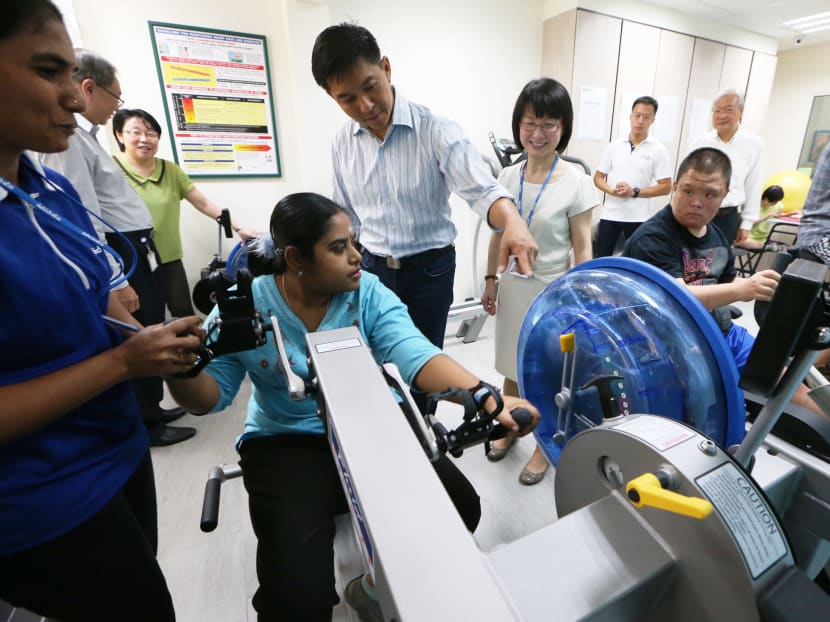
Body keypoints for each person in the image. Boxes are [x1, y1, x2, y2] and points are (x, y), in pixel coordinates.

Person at [165, 192, 540, 622]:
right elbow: (211, 397)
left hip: (372, 421)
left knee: (460, 510)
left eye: (355, 243)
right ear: (295, 257)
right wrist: (180, 370)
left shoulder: (366, 292)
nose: (357, 256)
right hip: (286, 437)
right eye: (339, 247)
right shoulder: (244, 306)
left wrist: (485, 395)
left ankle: (373, 589)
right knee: (297, 599)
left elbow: (414, 353)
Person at [0, 2, 205, 620]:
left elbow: (98, 295)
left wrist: (153, 342)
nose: (73, 97)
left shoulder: (48, 189)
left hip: (116, 450)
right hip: (46, 493)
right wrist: (122, 363)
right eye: (47, 71)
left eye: (73, 75)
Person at [310, 23, 538, 357]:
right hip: (372, 269)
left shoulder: (435, 130)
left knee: (425, 361)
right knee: (379, 360)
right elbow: (346, 218)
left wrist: (513, 222)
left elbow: (482, 191)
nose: (366, 105)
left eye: (370, 87)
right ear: (333, 97)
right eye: (348, 99)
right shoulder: (343, 143)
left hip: (429, 272)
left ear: (386, 68)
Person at [39, 50, 195, 446]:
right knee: (135, 335)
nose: (116, 107)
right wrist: (114, 279)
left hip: (137, 249)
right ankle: (148, 424)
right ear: (89, 88)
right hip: (119, 256)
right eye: (116, 96)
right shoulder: (67, 141)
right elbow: (81, 214)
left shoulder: (84, 138)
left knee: (151, 323)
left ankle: (153, 407)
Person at [622, 147, 822, 416]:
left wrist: (756, 284)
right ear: (675, 187)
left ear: (724, 195)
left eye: (710, 194)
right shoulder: (653, 238)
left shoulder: (716, 236)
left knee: (789, 383)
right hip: (674, 343)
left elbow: (725, 280)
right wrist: (742, 289)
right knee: (708, 410)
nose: (696, 202)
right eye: (688, 191)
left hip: (721, 331)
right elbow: (677, 298)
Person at [480, 78, 598, 485]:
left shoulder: (577, 182)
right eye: (530, 123)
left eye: (549, 124)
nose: (538, 133)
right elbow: (498, 235)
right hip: (513, 288)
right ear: (518, 125)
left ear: (563, 127)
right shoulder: (506, 177)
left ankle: (544, 446)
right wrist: (491, 279)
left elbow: (583, 248)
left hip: (553, 294)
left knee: (547, 373)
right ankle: (511, 424)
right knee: (510, 366)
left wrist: (582, 299)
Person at [112, 108, 258, 318]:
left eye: (151, 134)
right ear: (120, 135)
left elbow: (203, 203)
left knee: (184, 313)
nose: (144, 139)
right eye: (135, 132)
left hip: (170, 259)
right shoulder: (111, 169)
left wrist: (238, 227)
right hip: (131, 261)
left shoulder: (170, 170)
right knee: (146, 317)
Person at [593, 95, 672, 257]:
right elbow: (598, 178)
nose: (640, 121)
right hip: (610, 215)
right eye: (637, 115)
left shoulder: (658, 150)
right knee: (601, 258)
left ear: (653, 120)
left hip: (638, 218)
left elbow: (666, 187)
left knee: (635, 261)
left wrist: (634, 192)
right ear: (630, 116)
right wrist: (611, 190)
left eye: (646, 117)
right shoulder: (614, 146)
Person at [687, 88, 763, 245]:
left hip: (727, 216)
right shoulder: (699, 143)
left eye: (728, 110)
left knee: (718, 258)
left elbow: (753, 185)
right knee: (688, 255)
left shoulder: (753, 144)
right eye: (717, 111)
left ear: (741, 112)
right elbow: (686, 180)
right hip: (697, 211)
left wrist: (746, 224)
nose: (721, 116)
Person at [737, 185, 786, 250]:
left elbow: (779, 215)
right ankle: (766, 247)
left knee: (787, 247)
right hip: (747, 237)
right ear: (766, 197)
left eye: (777, 201)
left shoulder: (778, 205)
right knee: (739, 241)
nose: (775, 203)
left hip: (763, 238)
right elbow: (750, 222)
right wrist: (768, 214)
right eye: (773, 201)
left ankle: (766, 246)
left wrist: (789, 214)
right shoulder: (753, 204)